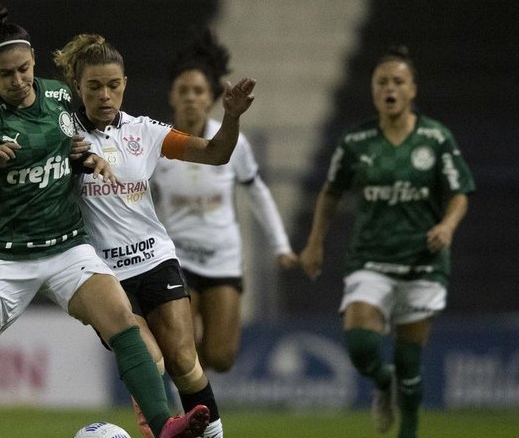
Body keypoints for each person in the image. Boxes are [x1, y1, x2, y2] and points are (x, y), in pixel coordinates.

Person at [0, 6, 210, 438]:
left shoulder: (57, 98)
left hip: (65, 246)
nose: (17, 81)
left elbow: (70, 147)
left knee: (123, 324)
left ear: (34, 59)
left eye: (23, 69)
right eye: (5, 75)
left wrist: (87, 159)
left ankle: (165, 425)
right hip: (6, 254)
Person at [53, 33, 256, 438]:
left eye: (113, 85)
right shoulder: (63, 135)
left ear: (125, 83)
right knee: (149, 357)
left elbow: (216, 153)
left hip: (155, 259)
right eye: (94, 86)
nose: (105, 95)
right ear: (78, 87)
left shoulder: (145, 132)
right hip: (102, 273)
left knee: (184, 360)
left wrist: (231, 119)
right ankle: (162, 430)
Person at [297, 45, 475, 438]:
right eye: (382, 82)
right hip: (371, 259)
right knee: (360, 345)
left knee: (411, 364)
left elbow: (460, 191)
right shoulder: (357, 141)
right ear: (373, 90)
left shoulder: (435, 138)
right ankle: (382, 379)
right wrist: (315, 243)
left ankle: (407, 429)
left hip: (423, 262)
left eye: (398, 81)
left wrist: (447, 226)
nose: (390, 88)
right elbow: (331, 192)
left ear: (412, 89)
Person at [151, 27, 298, 372]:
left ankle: (193, 379)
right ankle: (190, 410)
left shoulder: (232, 143)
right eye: (183, 90)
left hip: (223, 260)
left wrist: (280, 245)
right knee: (179, 351)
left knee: (221, 357)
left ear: (211, 97)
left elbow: (257, 190)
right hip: (176, 260)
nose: (190, 97)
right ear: (171, 97)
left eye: (198, 90)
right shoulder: (155, 143)